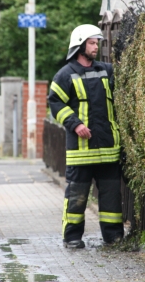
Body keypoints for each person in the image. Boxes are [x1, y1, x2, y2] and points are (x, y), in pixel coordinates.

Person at [48, 24, 124, 249]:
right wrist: (75, 124)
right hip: (81, 150)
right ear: (80, 45)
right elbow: (55, 102)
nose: (96, 46)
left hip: (109, 148)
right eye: (91, 43)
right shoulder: (65, 75)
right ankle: (72, 237)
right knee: (76, 197)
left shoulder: (107, 70)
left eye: (96, 42)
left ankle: (113, 237)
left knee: (111, 197)